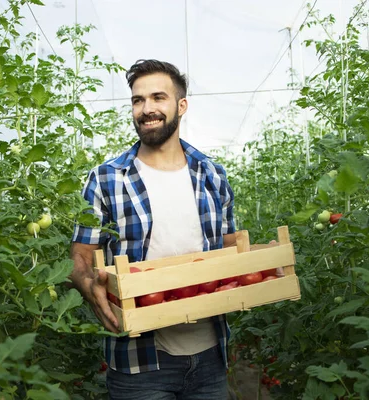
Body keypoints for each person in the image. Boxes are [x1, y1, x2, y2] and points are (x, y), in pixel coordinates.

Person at [70, 59, 237, 400]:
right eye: (138, 100)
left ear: (181, 105)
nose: (147, 109)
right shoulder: (106, 179)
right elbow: (80, 257)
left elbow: (232, 251)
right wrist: (89, 285)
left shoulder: (212, 175)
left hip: (210, 356)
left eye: (158, 97)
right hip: (139, 364)